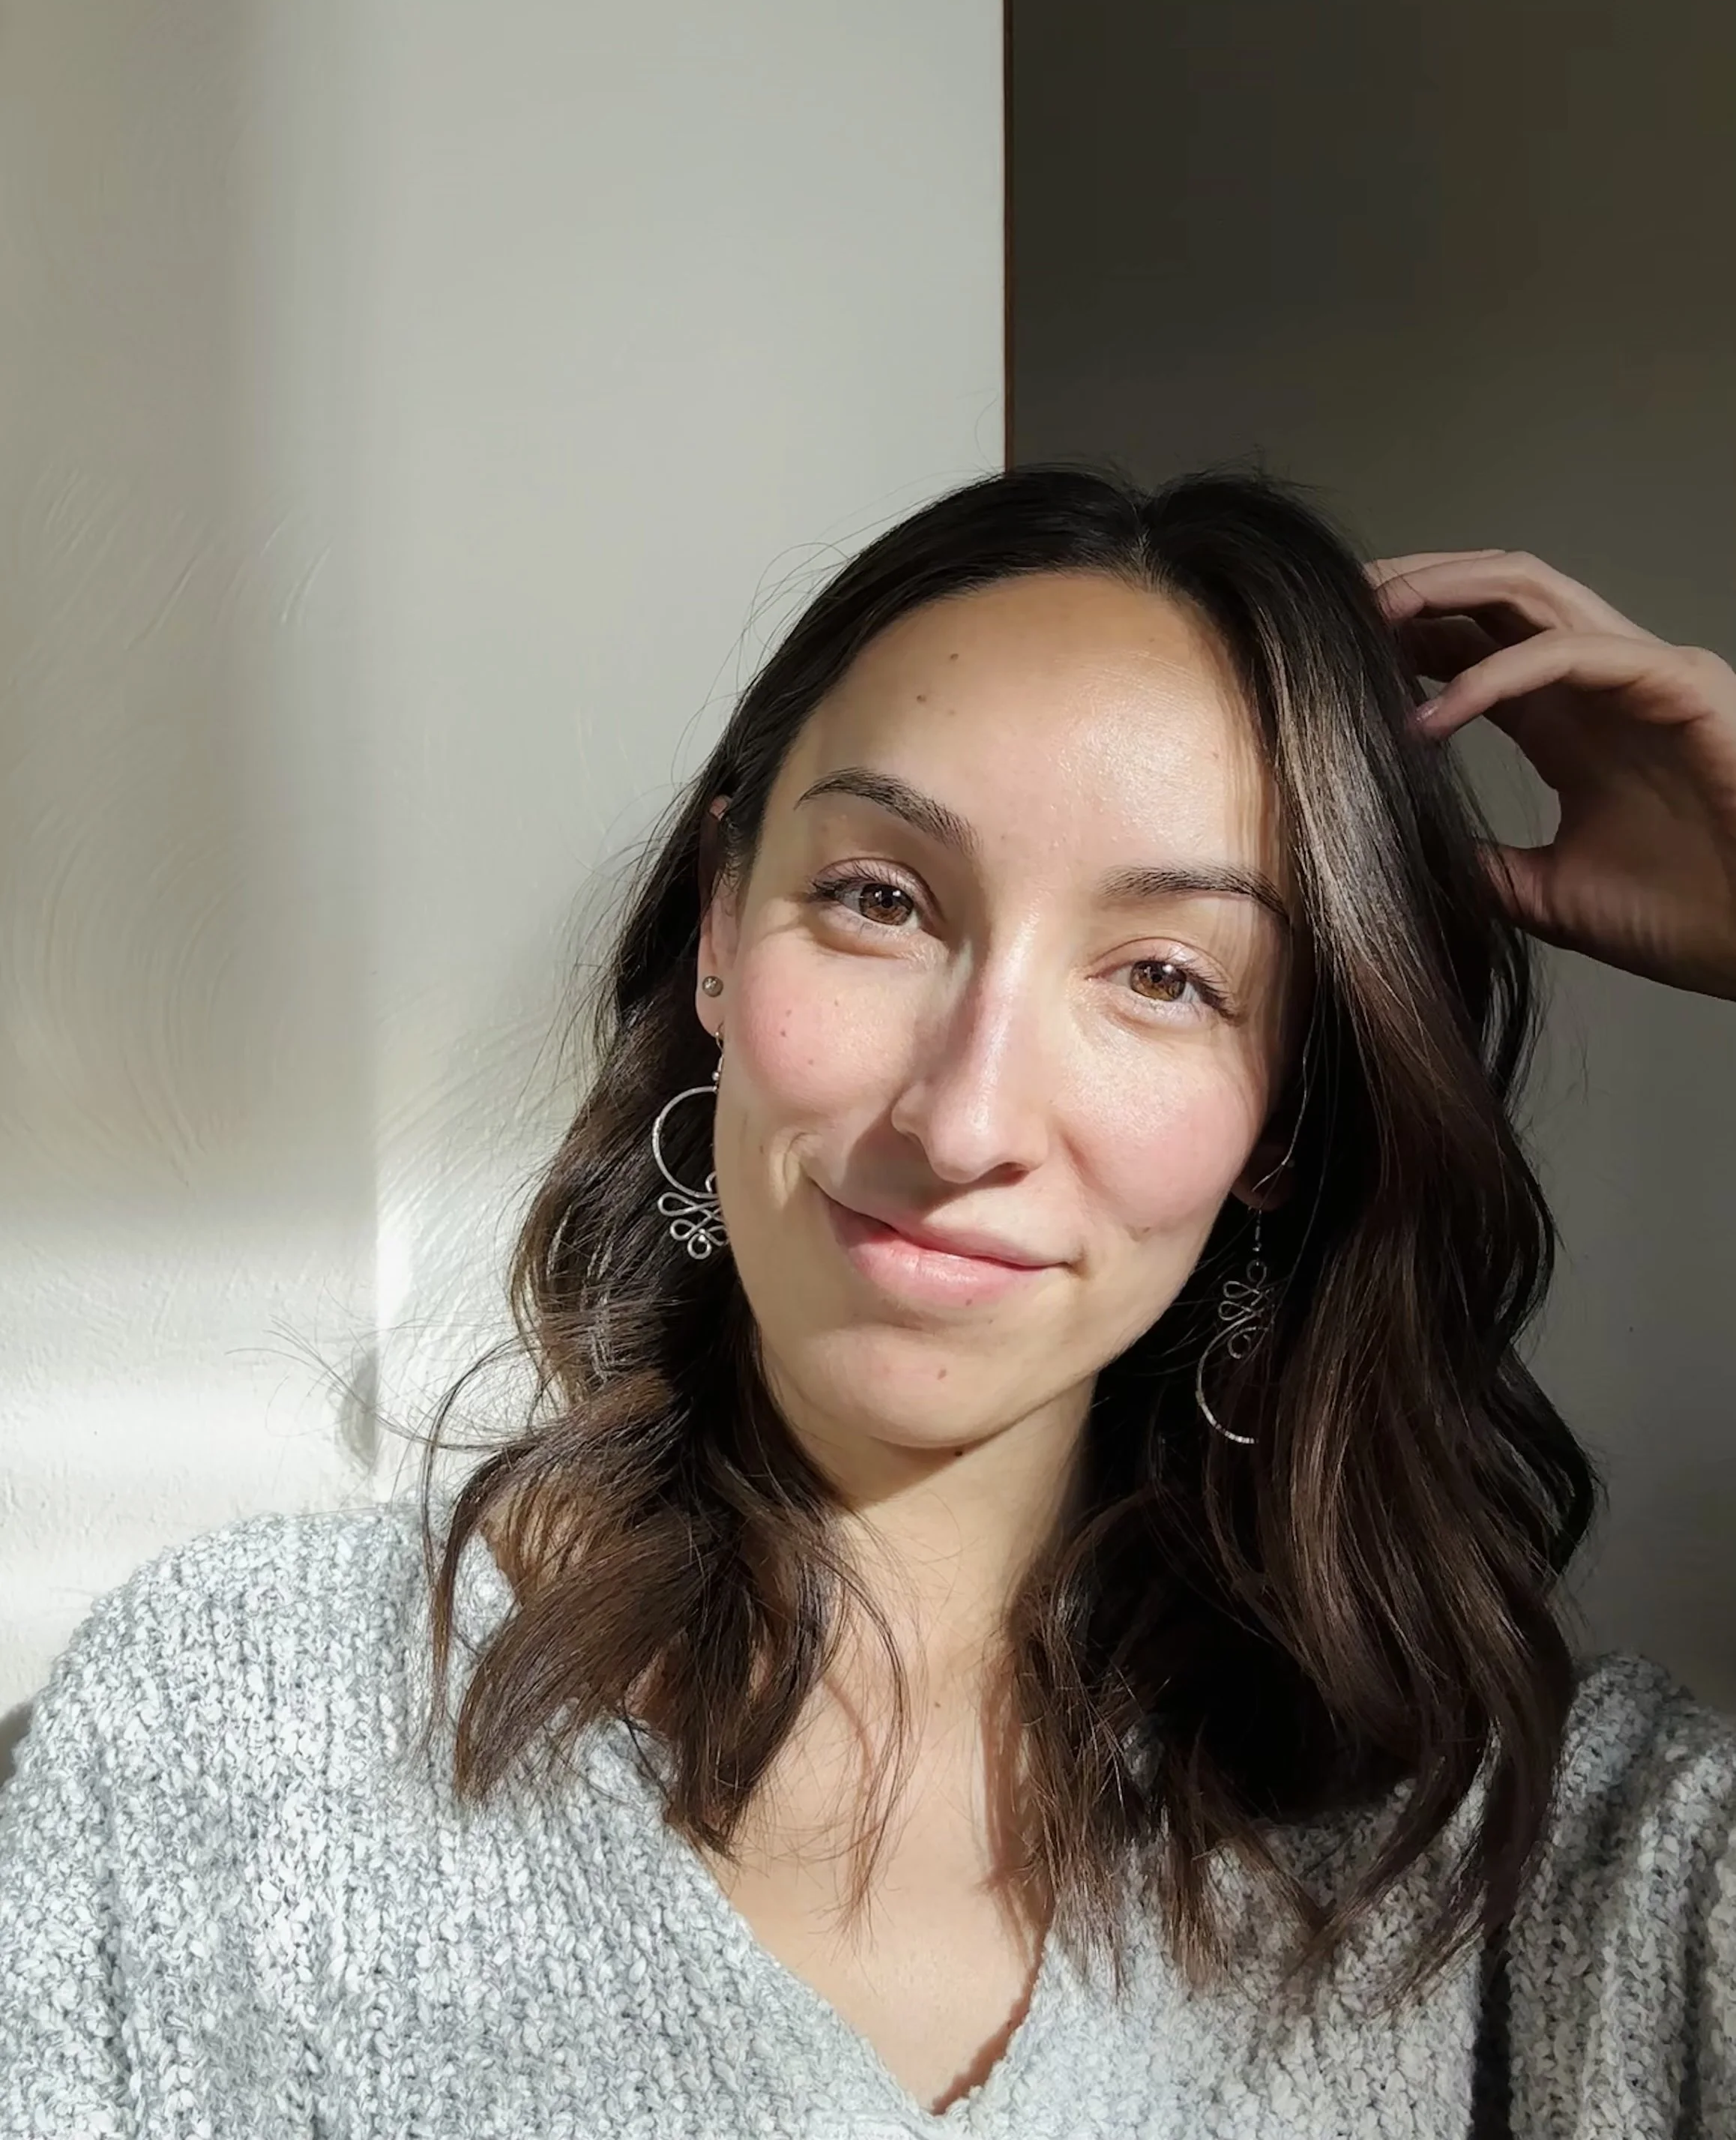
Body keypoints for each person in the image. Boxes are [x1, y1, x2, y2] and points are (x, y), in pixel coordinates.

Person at [1, 465, 1734, 2140]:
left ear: (1283, 1121)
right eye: (881, 899)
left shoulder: (1527, 1861)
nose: (963, 1118)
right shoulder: (234, 1736)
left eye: (1163, 975)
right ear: (717, 926)